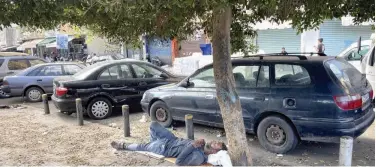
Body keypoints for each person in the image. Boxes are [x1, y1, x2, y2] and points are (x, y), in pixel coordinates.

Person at [111, 122, 228, 166]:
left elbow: (179, 162)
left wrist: (193, 145)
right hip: (172, 139)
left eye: (216, 144)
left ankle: (123, 146)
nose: (214, 141)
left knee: (142, 146)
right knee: (153, 125)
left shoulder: (198, 158)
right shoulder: (203, 145)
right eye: (216, 141)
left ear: (214, 152)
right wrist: (195, 143)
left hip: (165, 148)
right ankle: (153, 142)